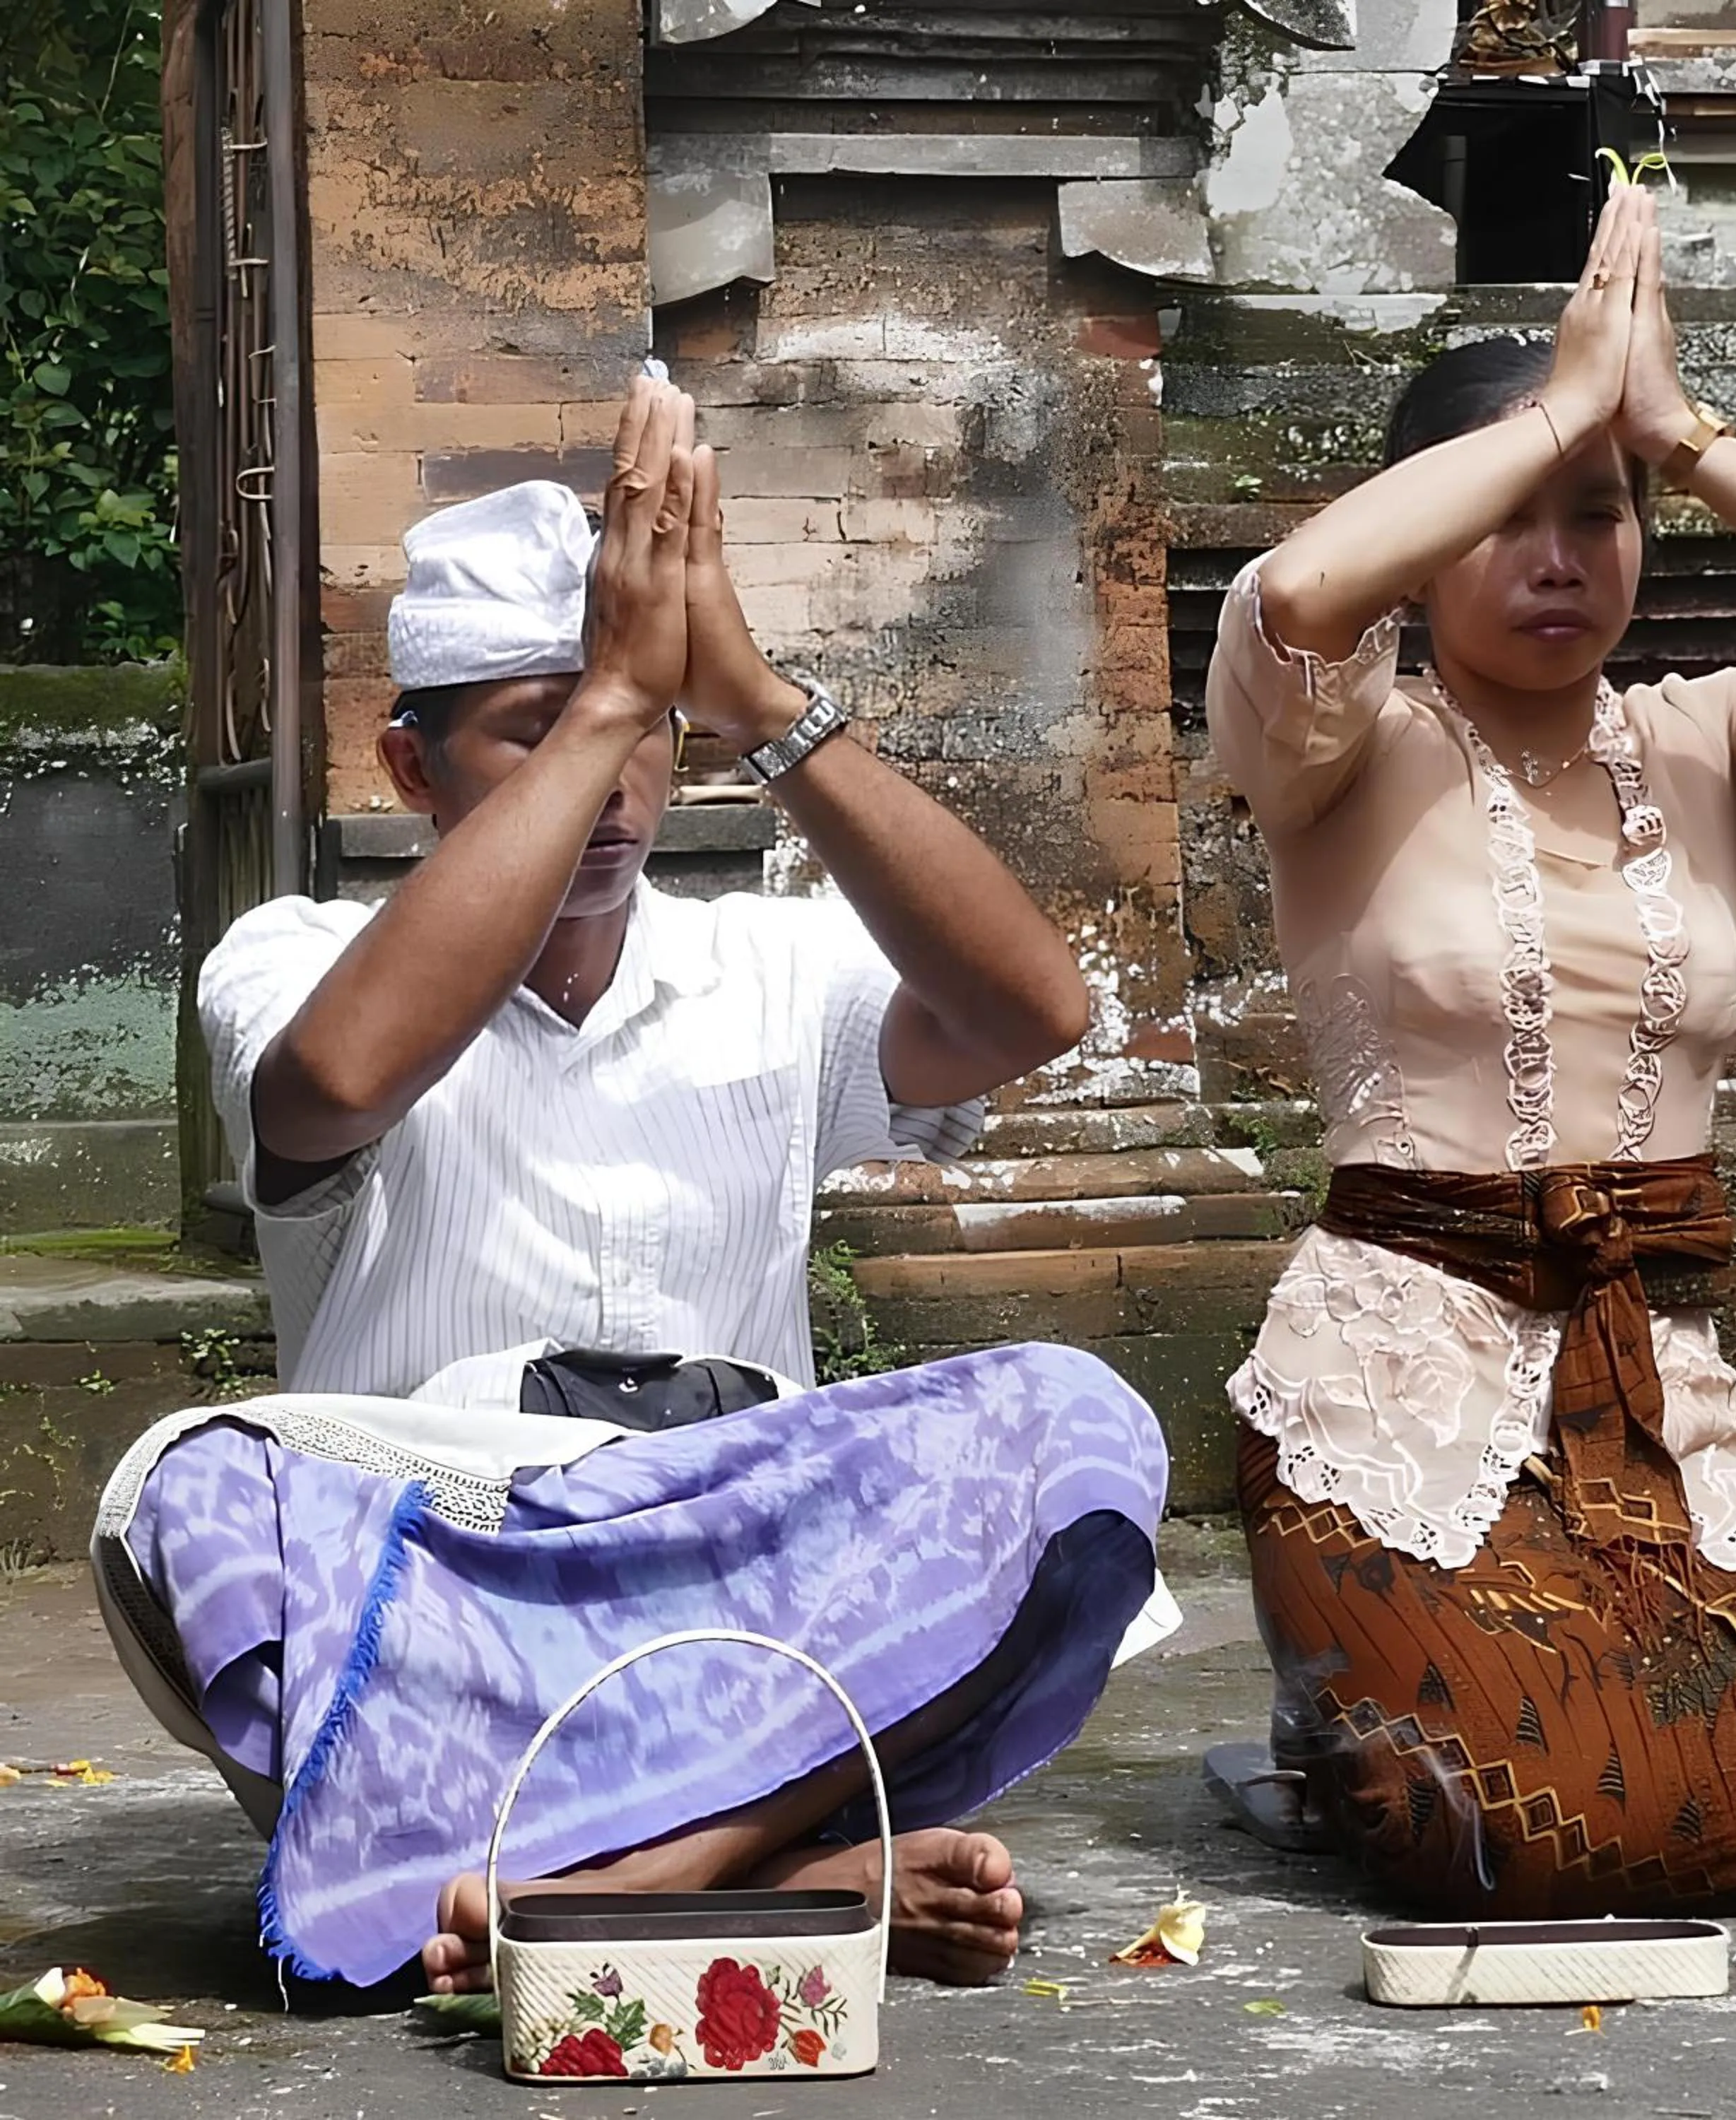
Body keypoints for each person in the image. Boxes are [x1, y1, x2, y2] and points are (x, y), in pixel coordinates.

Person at [92, 377, 1171, 2002]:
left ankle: (657, 1870)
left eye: (647, 740)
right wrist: (615, 689)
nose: (612, 785)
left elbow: (1035, 1014)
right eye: (534, 730)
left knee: (1076, 1418)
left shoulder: (773, 959)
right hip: (453, 1599)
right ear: (411, 766)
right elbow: (338, 1085)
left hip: (745, 1609)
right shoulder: (298, 955)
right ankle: (786, 1863)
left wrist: (752, 695)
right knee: (188, 1491)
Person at [1205, 187, 1736, 1917]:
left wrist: (1676, 429)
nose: (1557, 557)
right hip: (1387, 1380)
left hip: (1645, 1373)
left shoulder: (1705, 741)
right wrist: (1557, 413)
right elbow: (1293, 590)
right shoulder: (1335, 741)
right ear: (1427, 537)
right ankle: (1332, 1722)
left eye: (1599, 514)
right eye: (1508, 516)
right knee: (1489, 1836)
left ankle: (1344, 1725)